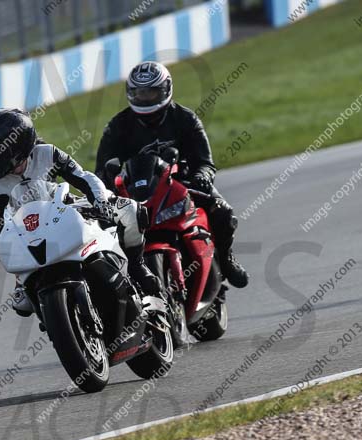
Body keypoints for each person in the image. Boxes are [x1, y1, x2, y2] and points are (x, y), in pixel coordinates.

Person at [0, 108, 161, 316]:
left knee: (131, 211)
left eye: (8, 157)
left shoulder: (47, 153)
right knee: (23, 304)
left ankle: (137, 266)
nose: (5, 166)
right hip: (26, 233)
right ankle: (30, 289)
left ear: (23, 145)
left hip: (62, 209)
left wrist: (101, 201)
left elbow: (84, 178)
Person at [95, 61, 249, 289]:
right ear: (131, 93)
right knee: (101, 228)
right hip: (137, 190)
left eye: (151, 92)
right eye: (140, 93)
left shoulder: (186, 119)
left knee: (223, 211)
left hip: (183, 182)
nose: (146, 98)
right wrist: (107, 188)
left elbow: (205, 162)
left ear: (165, 90)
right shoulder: (118, 126)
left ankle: (226, 259)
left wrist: (202, 176)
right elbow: (101, 170)